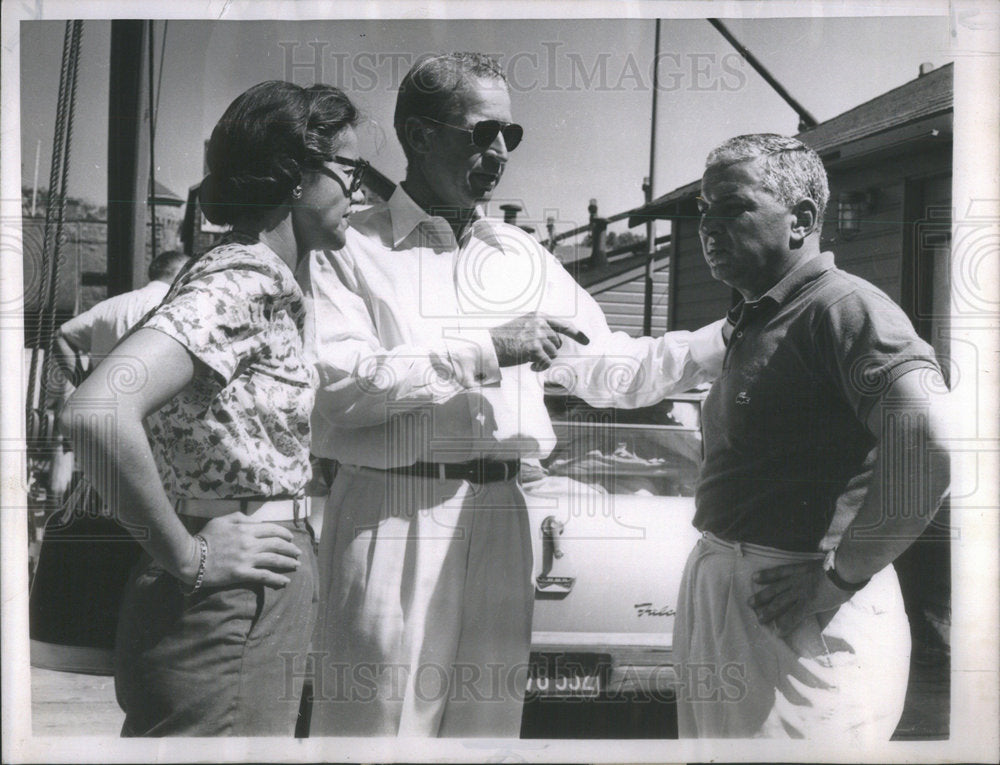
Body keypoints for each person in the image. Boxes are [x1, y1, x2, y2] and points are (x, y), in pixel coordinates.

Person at [303, 52, 729, 738]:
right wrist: (488, 348)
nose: (500, 152)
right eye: (481, 132)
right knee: (374, 728)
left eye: (511, 135)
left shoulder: (520, 257)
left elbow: (611, 368)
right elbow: (339, 387)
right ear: (417, 135)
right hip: (392, 512)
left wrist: (728, 335)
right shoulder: (348, 248)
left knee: (485, 732)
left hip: (503, 513)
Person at [61, 80, 364, 736]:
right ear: (294, 174)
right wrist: (188, 556)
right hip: (224, 602)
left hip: (248, 591)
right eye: (348, 170)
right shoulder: (242, 280)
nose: (358, 191)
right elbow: (96, 410)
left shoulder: (262, 279)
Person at [673, 134, 951, 739]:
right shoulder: (759, 314)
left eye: (733, 207)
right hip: (736, 594)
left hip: (800, 611)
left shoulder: (845, 309)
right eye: (703, 210)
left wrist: (838, 577)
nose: (710, 227)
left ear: (801, 219)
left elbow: (931, 445)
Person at [49, 250, 189, 494]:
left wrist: (82, 381)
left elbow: (62, 335)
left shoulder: (110, 306)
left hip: (108, 420)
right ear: (181, 274)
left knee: (110, 493)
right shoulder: (178, 307)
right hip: (156, 426)